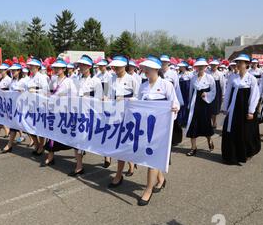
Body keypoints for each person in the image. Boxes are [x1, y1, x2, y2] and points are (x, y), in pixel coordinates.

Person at [137, 56, 180, 206]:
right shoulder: (142, 86)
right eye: (144, 68)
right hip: (145, 126)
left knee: (151, 158)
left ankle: (148, 189)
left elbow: (175, 103)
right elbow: (138, 104)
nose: (145, 71)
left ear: (156, 69)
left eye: (147, 68)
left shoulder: (166, 85)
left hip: (161, 128)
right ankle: (160, 179)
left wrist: (174, 109)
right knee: (149, 155)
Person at [221, 54, 261, 164]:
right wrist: (225, 107)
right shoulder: (232, 77)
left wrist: (251, 111)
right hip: (234, 109)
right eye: (237, 62)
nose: (238, 64)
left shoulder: (251, 79)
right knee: (231, 131)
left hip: (245, 110)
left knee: (246, 133)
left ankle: (246, 153)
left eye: (241, 62)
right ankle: (231, 156)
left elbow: (255, 96)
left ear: (247, 64)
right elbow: (228, 93)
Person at [108, 55, 140, 188]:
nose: (115, 68)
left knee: (126, 142)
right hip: (114, 115)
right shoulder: (111, 79)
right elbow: (106, 95)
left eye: (118, 66)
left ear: (124, 66)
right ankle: (127, 166)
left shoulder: (132, 79)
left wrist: (126, 99)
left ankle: (119, 173)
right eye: (114, 66)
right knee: (118, 143)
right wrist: (105, 99)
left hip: (128, 115)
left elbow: (138, 98)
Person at [68, 55, 102, 176]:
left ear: (89, 66)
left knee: (95, 140)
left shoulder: (96, 80)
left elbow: (101, 99)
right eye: (80, 65)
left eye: (83, 65)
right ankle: (79, 166)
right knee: (77, 139)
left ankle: (106, 158)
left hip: (91, 115)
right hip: (78, 114)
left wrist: (88, 97)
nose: (81, 67)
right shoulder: (76, 79)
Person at [42, 59, 77, 166]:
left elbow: (74, 96)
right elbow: (49, 91)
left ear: (64, 69)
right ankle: (50, 157)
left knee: (69, 134)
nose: (56, 70)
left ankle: (78, 158)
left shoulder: (69, 81)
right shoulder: (53, 80)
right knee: (52, 133)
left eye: (58, 68)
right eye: (55, 68)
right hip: (54, 110)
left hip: (65, 111)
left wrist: (63, 98)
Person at [186, 58, 216, 156]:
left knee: (206, 123)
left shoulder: (209, 78)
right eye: (199, 66)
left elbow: (214, 91)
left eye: (202, 66)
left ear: (205, 67)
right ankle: (193, 148)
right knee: (193, 124)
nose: (200, 68)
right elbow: (191, 91)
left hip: (205, 104)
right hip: (195, 104)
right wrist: (189, 104)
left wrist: (206, 94)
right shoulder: (193, 78)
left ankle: (209, 140)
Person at [0, 63, 30, 153]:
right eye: (11, 71)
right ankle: (9, 145)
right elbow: (10, 91)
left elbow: (29, 92)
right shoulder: (12, 81)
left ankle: (36, 144)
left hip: (22, 107)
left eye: (14, 70)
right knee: (13, 126)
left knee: (26, 126)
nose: (12, 72)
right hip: (13, 106)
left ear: (19, 71)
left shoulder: (24, 81)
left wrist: (22, 91)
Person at [25, 58, 50, 156]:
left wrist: (35, 91)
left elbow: (45, 90)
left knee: (39, 127)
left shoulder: (41, 77)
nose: (30, 67)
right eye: (30, 66)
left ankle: (41, 146)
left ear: (37, 67)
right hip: (30, 104)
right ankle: (37, 145)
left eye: (33, 66)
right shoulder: (31, 77)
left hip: (39, 105)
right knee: (29, 126)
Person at [207, 59, 226, 129]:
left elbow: (222, 85)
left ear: (217, 66)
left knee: (215, 108)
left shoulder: (220, 74)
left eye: (215, 65)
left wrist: (223, 95)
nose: (213, 67)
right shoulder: (208, 73)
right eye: (212, 65)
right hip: (209, 91)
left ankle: (214, 122)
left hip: (217, 93)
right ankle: (210, 122)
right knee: (209, 107)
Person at [177, 61, 192, 127]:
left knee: (186, 105)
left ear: (185, 67)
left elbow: (191, 84)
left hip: (187, 92)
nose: (180, 68)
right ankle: (180, 120)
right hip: (180, 91)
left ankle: (186, 120)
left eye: (182, 67)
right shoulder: (178, 74)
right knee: (180, 105)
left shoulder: (189, 74)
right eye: (180, 67)